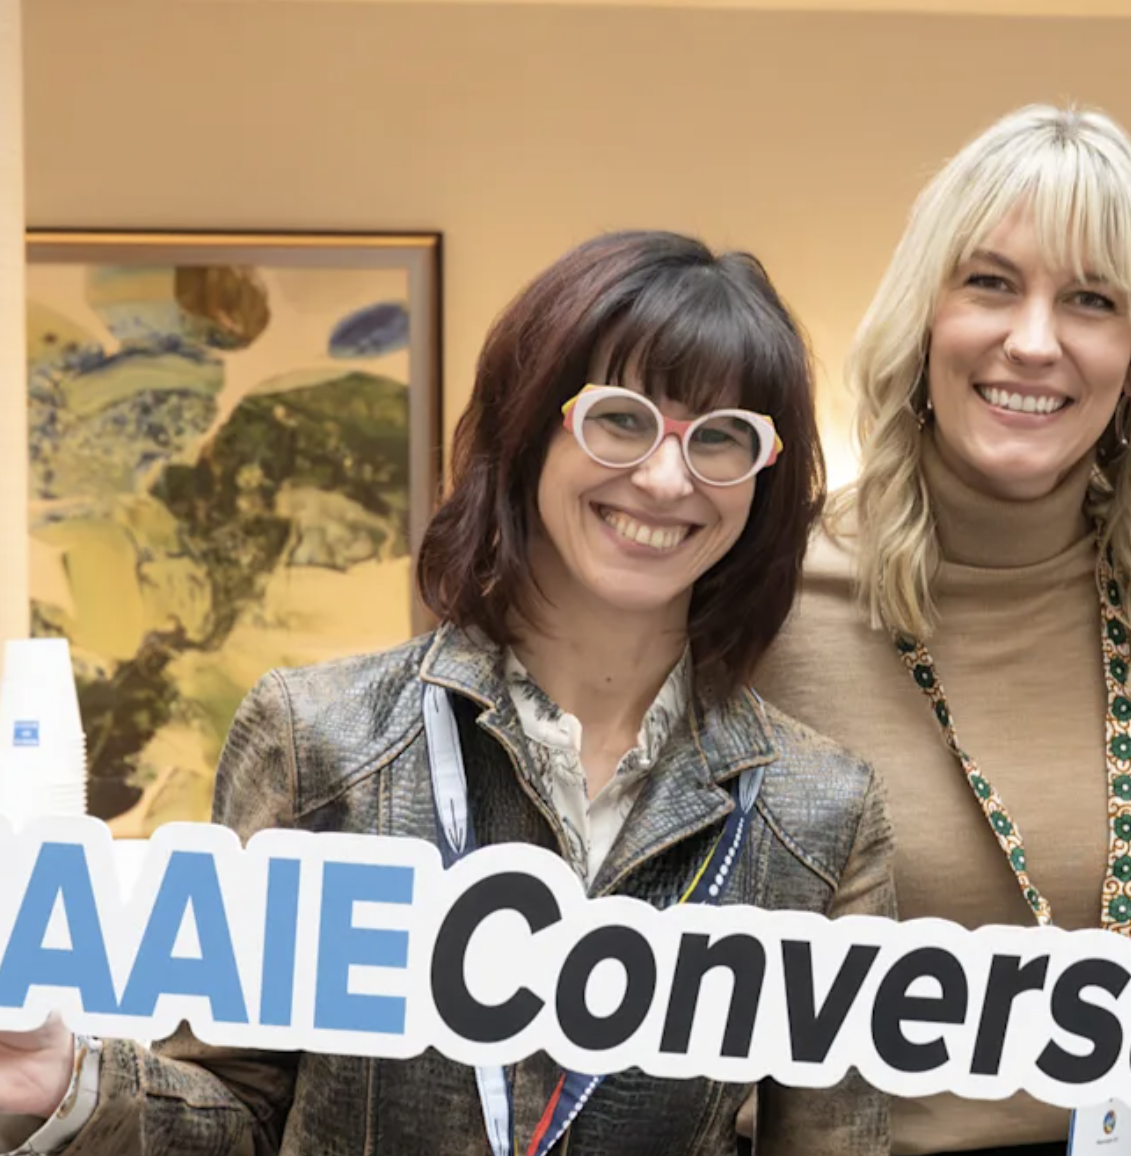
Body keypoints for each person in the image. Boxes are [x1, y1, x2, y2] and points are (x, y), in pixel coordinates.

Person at [0, 230, 895, 1156]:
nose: (667, 478)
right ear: (529, 426)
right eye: (621, 420)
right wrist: (69, 1082)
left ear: (765, 481)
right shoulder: (319, 739)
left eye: (722, 439)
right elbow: (242, 1109)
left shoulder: (816, 811)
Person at [750, 105, 1131, 1155]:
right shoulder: (772, 588)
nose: (1033, 340)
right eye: (990, 282)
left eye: (1091, 299)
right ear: (924, 318)